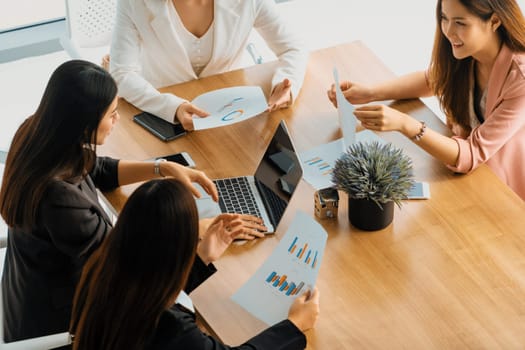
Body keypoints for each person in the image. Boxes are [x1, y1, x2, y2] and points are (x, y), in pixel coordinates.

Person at [0, 60, 265, 342]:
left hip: (30, 294)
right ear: (83, 122)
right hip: (65, 323)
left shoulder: (38, 136)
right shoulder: (60, 202)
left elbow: (96, 168)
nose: (117, 120)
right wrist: (193, 234)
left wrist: (162, 168)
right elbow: (125, 275)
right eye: (112, 114)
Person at [69, 178, 319, 350]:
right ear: (176, 251)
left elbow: (149, 290)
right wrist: (294, 326)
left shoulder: (104, 268)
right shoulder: (170, 327)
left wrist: (201, 259)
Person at [328, 0, 525, 201]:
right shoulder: (468, 52)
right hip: (463, 179)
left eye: (460, 23)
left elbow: (472, 153)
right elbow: (431, 80)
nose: (448, 31)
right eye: (444, 18)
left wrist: (406, 124)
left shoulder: (520, 78)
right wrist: (370, 93)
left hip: (502, 193)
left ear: (494, 21)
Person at [110, 0, 309, 130]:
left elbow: (293, 47)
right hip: (160, 114)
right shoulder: (133, 2)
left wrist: (286, 84)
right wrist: (172, 107)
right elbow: (121, 73)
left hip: (230, 113)